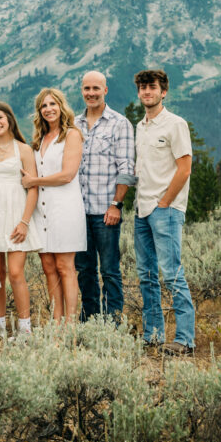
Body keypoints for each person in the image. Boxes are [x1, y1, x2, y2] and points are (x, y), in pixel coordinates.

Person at [133, 68, 194, 356]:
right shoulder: (140, 126)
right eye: (143, 88)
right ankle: (154, 335)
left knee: (171, 274)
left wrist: (166, 202)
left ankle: (185, 339)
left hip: (165, 210)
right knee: (146, 275)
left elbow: (184, 168)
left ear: (163, 91)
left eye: (152, 87)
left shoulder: (175, 124)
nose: (147, 92)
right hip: (141, 210)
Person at [74, 71, 136, 322]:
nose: (91, 93)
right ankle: (90, 319)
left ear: (105, 90)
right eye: (87, 88)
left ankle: (113, 322)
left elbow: (126, 169)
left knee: (110, 270)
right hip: (78, 212)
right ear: (82, 91)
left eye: (96, 88)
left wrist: (116, 205)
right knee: (84, 270)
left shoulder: (119, 123)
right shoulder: (74, 124)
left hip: (105, 211)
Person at [22, 88, 86, 321]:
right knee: (48, 266)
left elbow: (67, 174)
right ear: (39, 111)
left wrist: (34, 181)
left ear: (61, 106)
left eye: (52, 104)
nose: (49, 109)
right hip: (42, 209)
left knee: (65, 266)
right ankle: (56, 321)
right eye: (44, 106)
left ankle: (70, 321)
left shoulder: (71, 135)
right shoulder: (39, 139)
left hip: (65, 208)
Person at [0, 102, 41, 342]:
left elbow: (32, 187)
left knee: (16, 273)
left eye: (0, 118)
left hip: (17, 216)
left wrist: (24, 222)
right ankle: (0, 328)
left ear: (9, 119)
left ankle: (25, 330)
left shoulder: (24, 150)